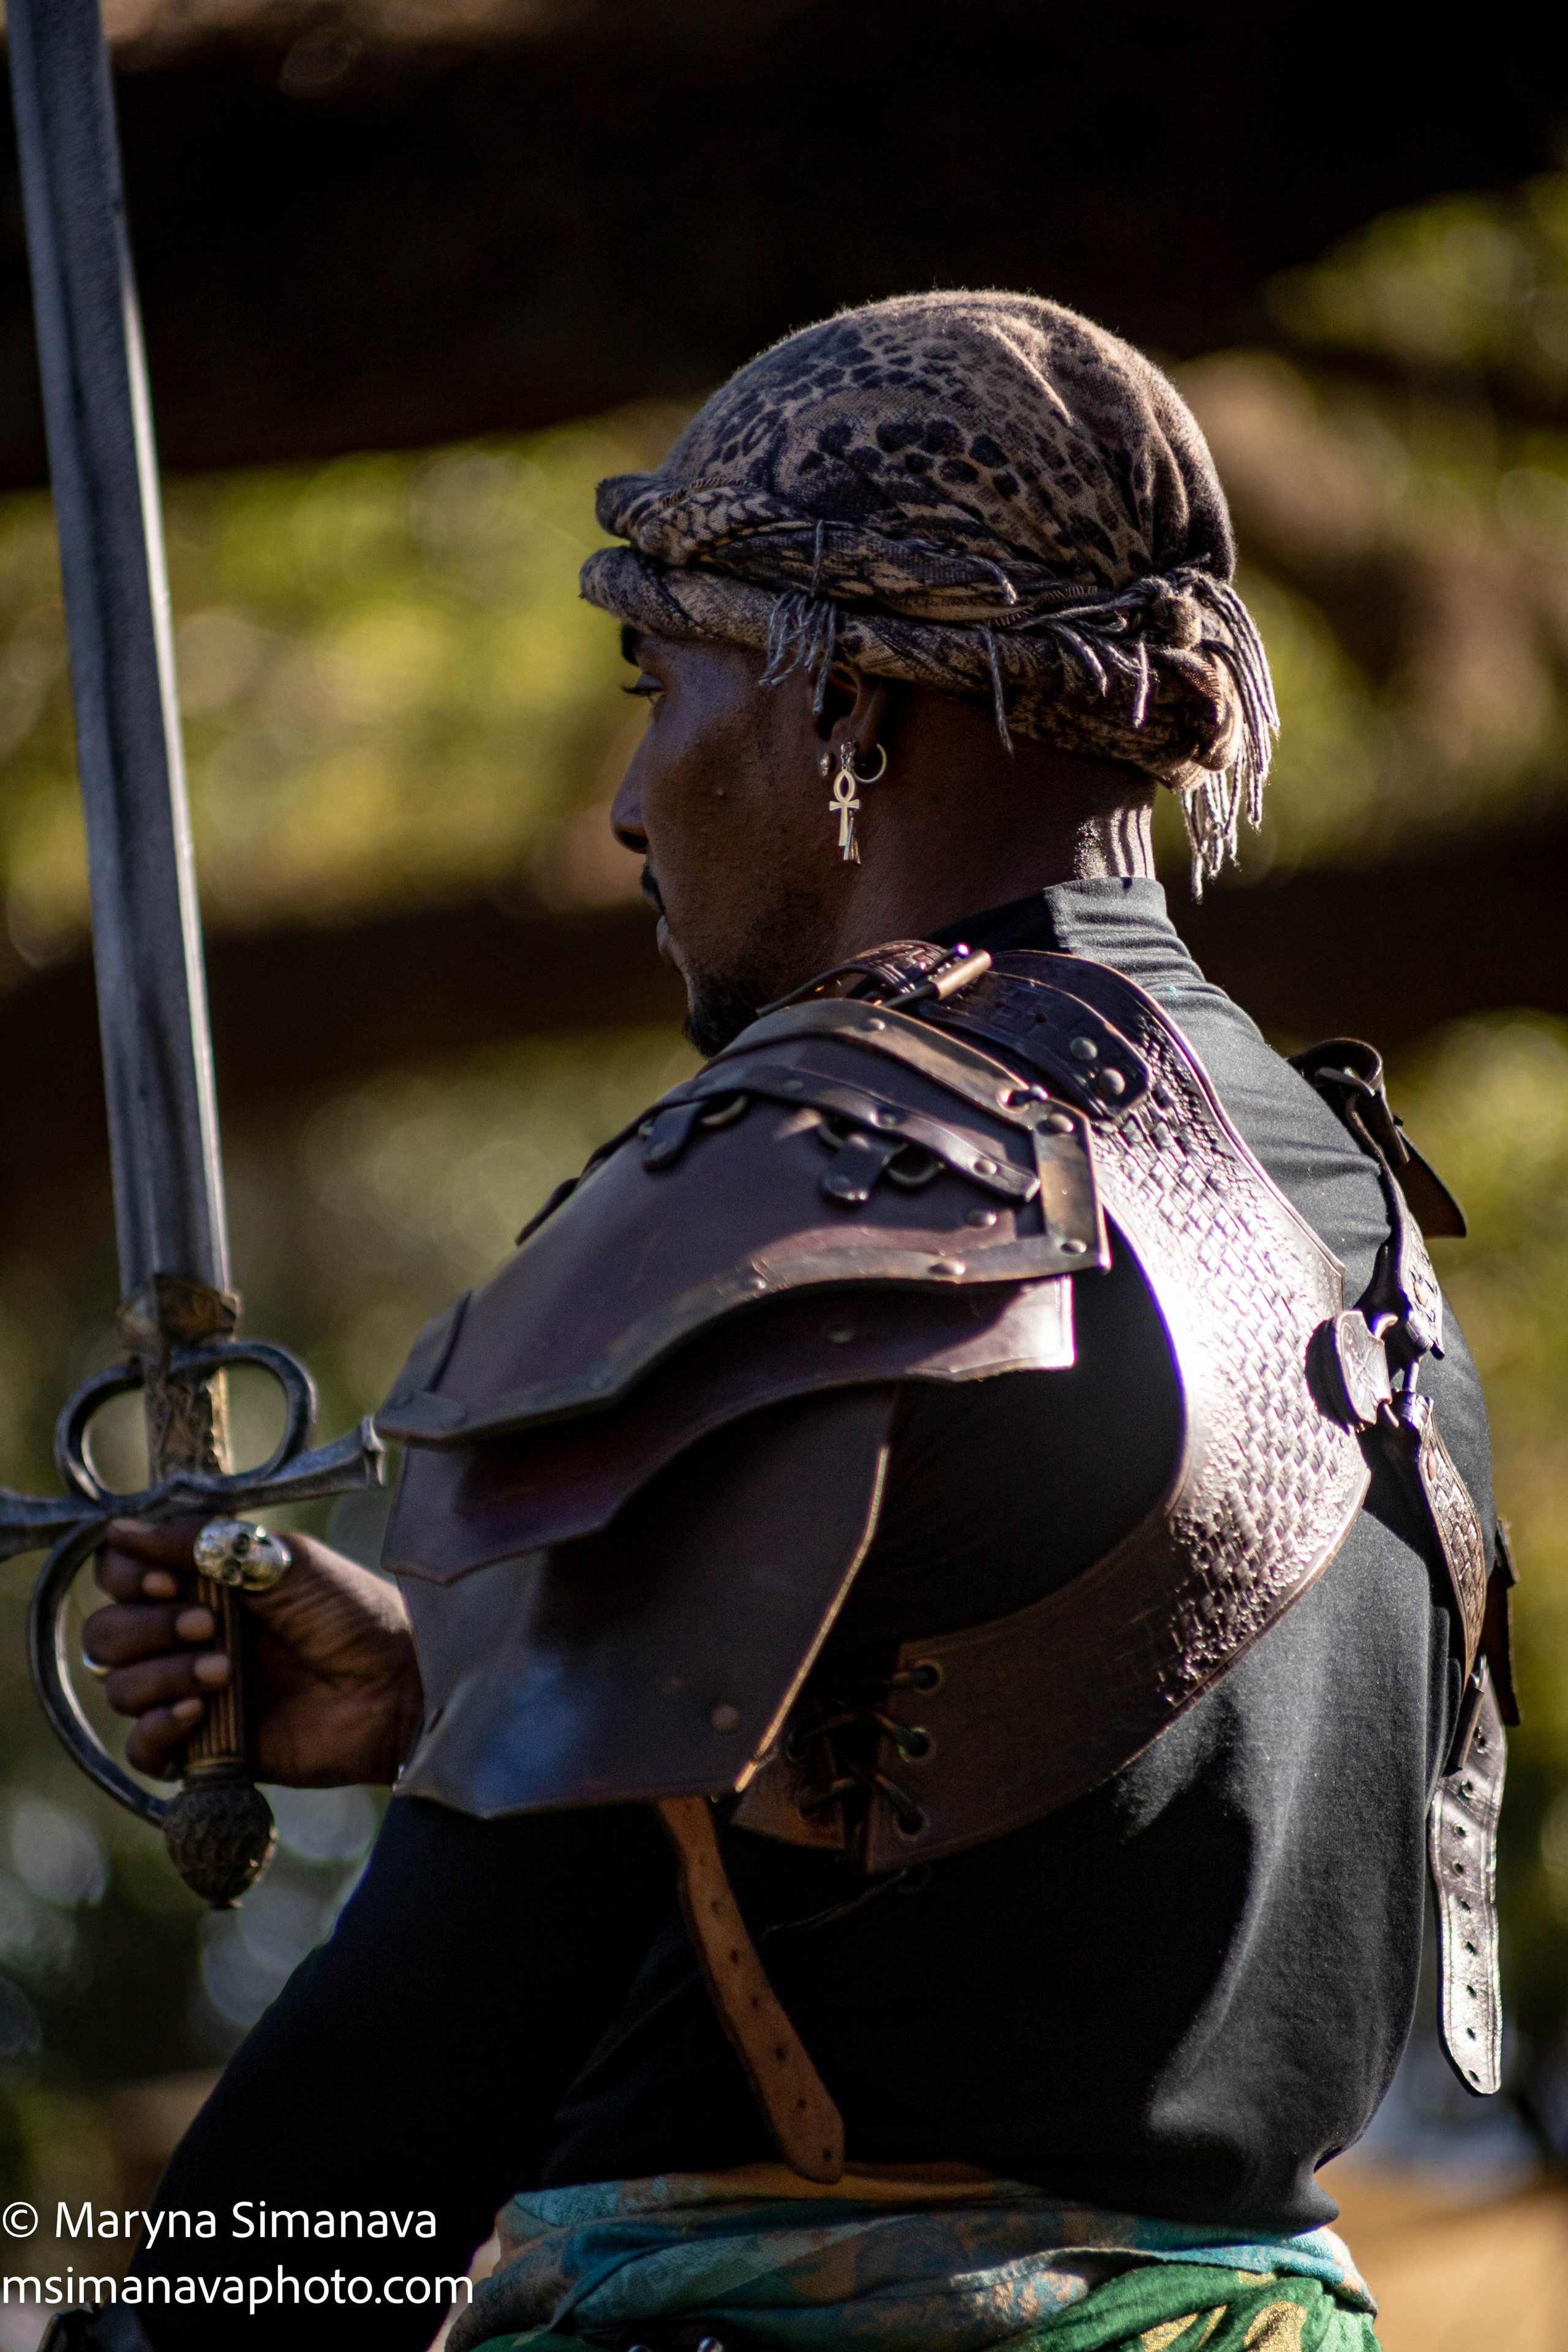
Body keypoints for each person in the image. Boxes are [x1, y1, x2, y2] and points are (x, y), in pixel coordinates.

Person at [79, 293, 1506, 2352]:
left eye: (661, 679)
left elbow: (402, 2103)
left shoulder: (817, 1176)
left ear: (855, 712)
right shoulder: (1353, 1199)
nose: (632, 800)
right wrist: (466, 1695)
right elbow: (1035, 1806)